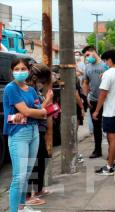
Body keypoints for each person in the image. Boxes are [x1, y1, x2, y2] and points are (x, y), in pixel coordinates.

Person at [3, 58, 48, 212]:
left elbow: (41, 111)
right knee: (19, 176)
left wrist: (36, 112)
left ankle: (22, 207)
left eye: (23, 69)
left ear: (28, 71)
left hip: (33, 131)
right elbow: (30, 111)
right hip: (18, 133)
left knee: (28, 173)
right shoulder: (11, 88)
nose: (20, 72)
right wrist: (36, 112)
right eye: (17, 69)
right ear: (12, 71)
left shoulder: (31, 90)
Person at [93, 50, 115, 176]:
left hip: (111, 111)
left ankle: (109, 167)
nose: (104, 63)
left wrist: (96, 110)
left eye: (104, 60)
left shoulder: (108, 74)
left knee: (112, 139)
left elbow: (103, 94)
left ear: (109, 60)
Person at [25, 64, 53, 207]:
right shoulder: (28, 89)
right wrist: (47, 100)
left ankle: (38, 188)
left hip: (39, 128)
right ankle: (29, 194)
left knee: (42, 158)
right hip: (31, 128)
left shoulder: (35, 89)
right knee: (34, 162)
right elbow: (34, 110)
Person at [82, 46, 108, 159]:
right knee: (96, 128)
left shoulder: (105, 65)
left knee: (108, 127)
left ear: (94, 52)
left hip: (107, 101)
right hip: (93, 100)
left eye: (88, 55)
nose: (87, 58)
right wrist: (85, 97)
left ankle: (112, 151)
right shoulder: (87, 67)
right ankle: (97, 150)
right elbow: (86, 83)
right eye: (85, 56)